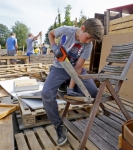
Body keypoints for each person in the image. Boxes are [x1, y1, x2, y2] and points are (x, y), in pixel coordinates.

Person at [41, 18, 104, 146]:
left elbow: (78, 68)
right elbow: (51, 34)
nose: (88, 41)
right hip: (59, 68)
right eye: (87, 38)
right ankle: (58, 125)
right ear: (82, 28)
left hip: (75, 70)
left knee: (93, 92)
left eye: (91, 40)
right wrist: (54, 46)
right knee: (46, 94)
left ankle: (66, 86)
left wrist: (71, 88)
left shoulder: (88, 45)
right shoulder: (66, 30)